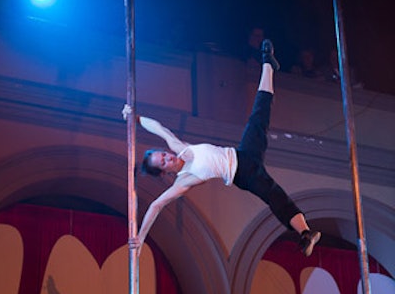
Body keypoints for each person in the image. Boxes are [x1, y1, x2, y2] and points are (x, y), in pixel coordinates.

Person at [123, 39, 321, 257]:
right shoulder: (183, 181)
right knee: (275, 196)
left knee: (258, 116)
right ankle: (305, 233)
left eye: (163, 154)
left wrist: (135, 117)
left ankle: (267, 64)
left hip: (244, 153)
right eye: (163, 162)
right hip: (244, 175)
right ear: (164, 172)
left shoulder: (181, 148)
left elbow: (158, 128)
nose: (167, 158)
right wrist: (140, 239)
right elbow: (156, 206)